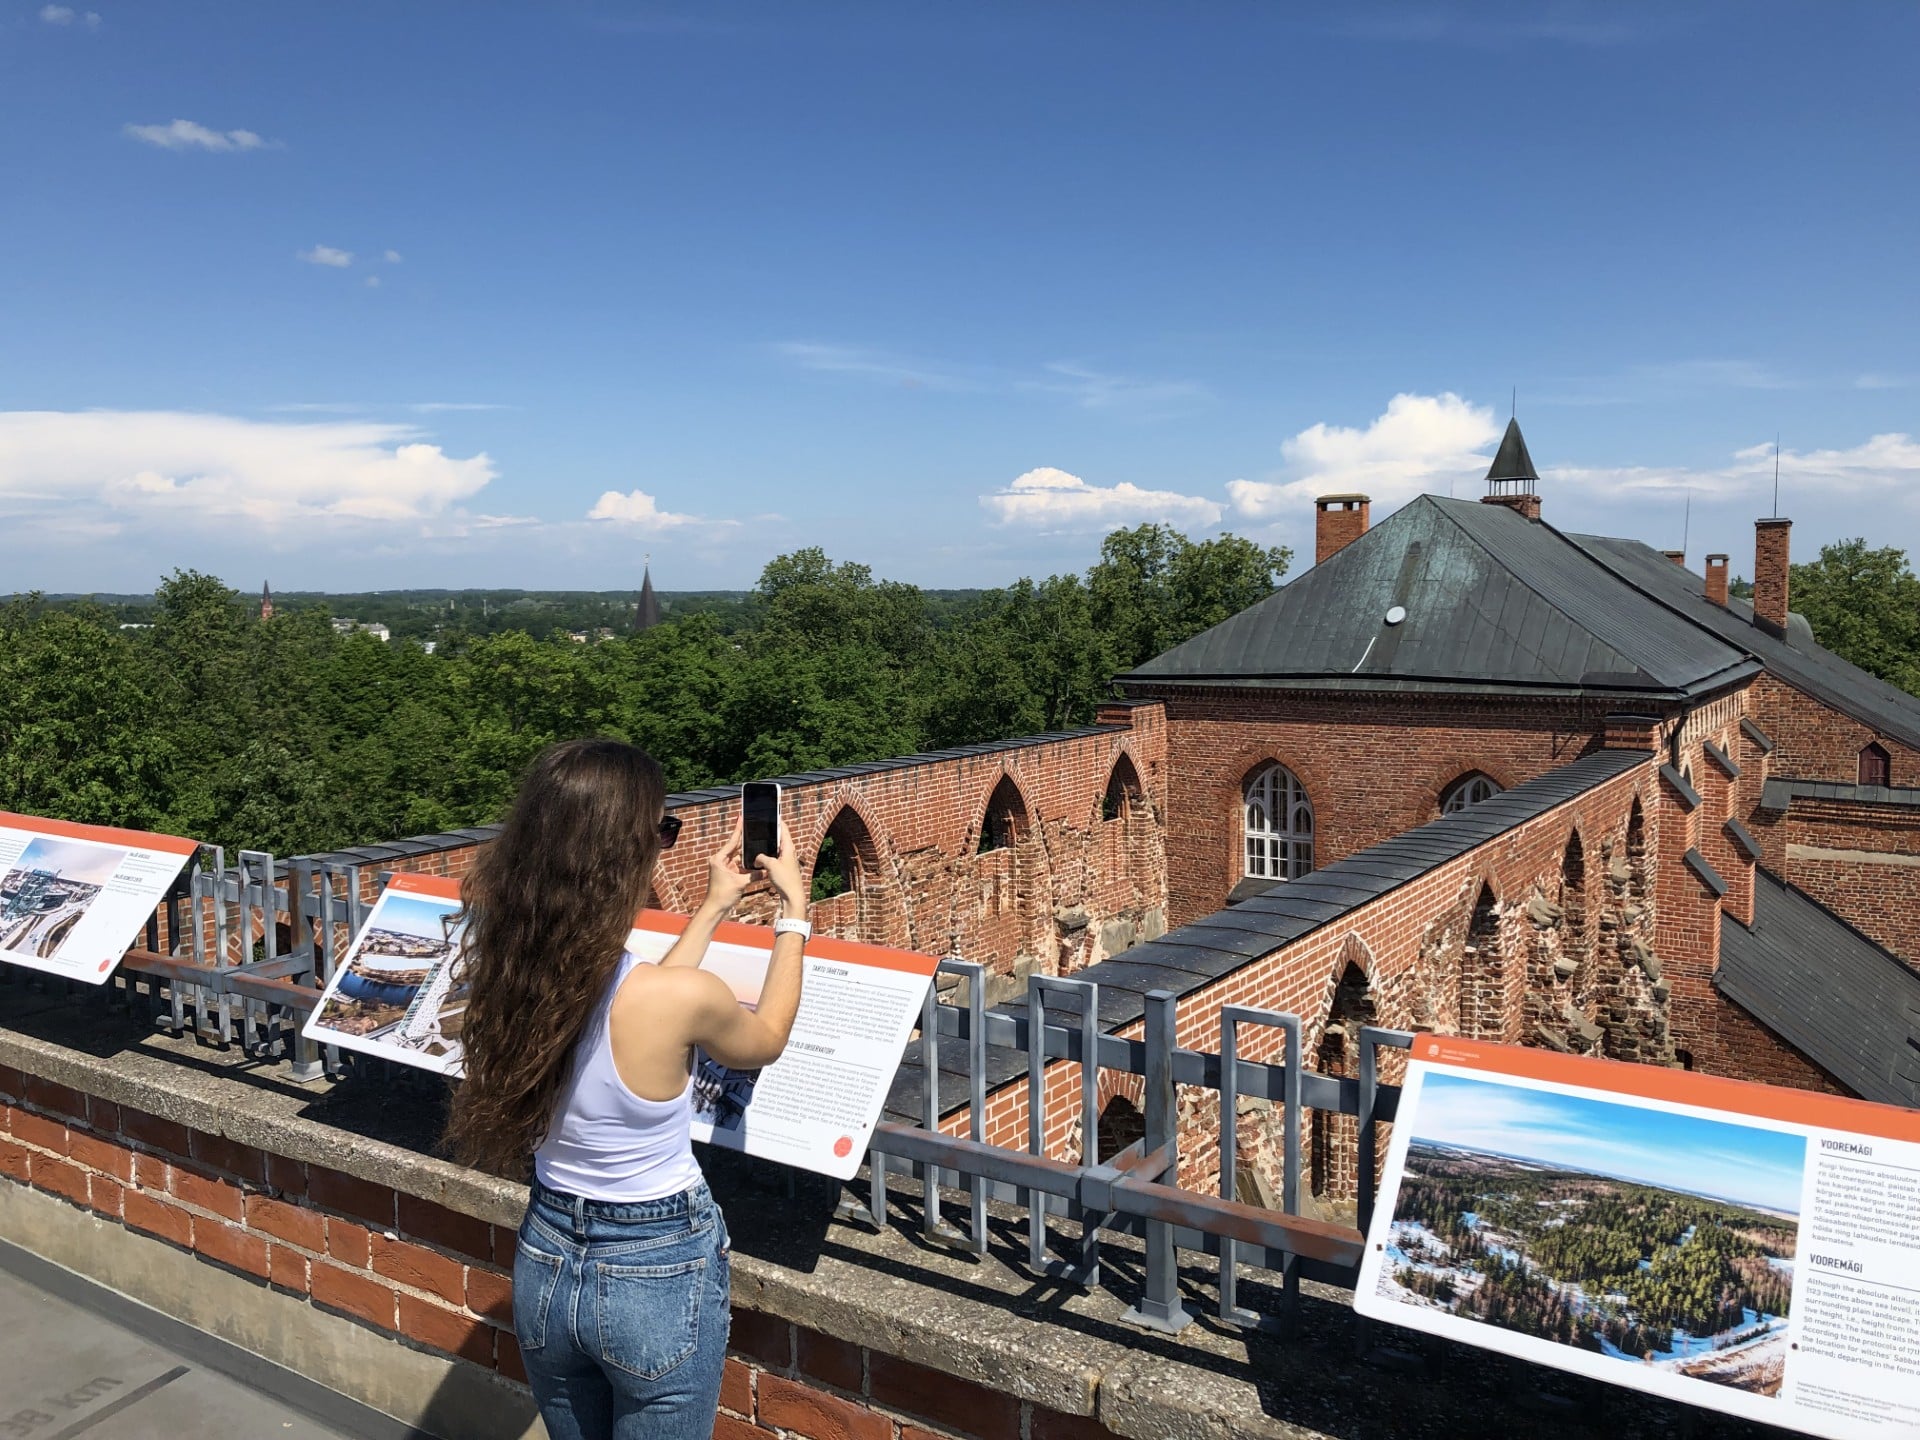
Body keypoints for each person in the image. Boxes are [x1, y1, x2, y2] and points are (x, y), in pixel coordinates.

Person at [443, 738, 809, 1440]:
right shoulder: (667, 996)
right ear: (620, 851)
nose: (666, 846)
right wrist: (795, 913)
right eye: (662, 831)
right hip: (656, 1264)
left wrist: (712, 908)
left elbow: (638, 1002)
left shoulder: (518, 970)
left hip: (548, 1255)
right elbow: (765, 1038)